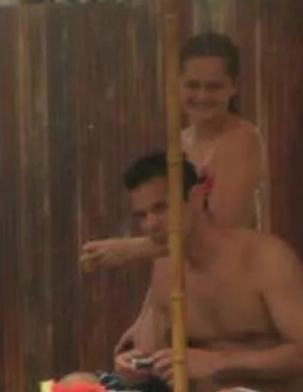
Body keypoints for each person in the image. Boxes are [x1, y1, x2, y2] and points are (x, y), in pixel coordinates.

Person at [57, 150, 303, 392]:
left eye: (161, 208)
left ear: (196, 197)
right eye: (142, 215)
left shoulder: (265, 257)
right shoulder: (165, 267)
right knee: (74, 386)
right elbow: (151, 358)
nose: (151, 224)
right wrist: (134, 366)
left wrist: (217, 361)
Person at [79, 32, 268, 269]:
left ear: (234, 87)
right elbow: (169, 223)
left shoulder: (241, 139)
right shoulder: (181, 142)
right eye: (193, 85)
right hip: (190, 273)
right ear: (177, 85)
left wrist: (129, 249)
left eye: (214, 87)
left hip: (234, 275)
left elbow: (219, 233)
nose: (202, 96)